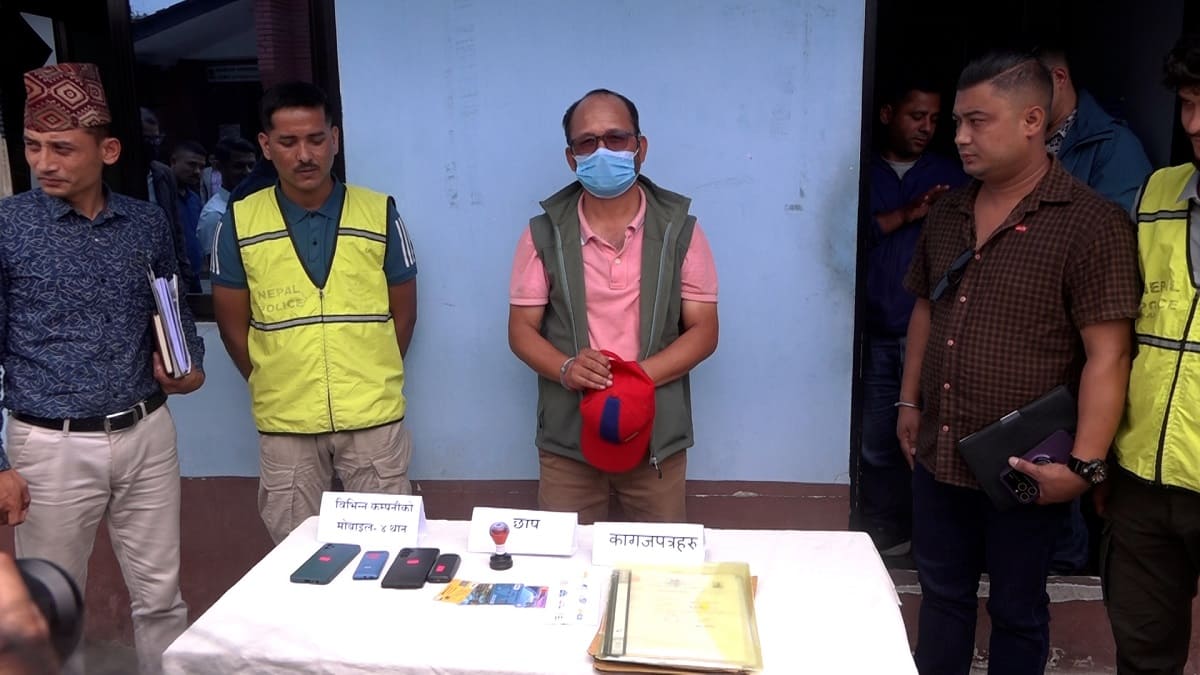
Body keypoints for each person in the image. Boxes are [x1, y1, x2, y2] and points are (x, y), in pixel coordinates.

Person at [897, 51, 1138, 674]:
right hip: (939, 450)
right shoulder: (948, 211)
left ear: (1033, 120)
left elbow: (1109, 354)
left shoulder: (1091, 223)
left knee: (1018, 610)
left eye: (977, 121)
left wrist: (1084, 467)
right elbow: (925, 308)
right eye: (958, 122)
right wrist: (908, 400)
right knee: (942, 599)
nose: (960, 136)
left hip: (1028, 466)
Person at [1, 62, 205, 674]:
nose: (44, 162)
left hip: (147, 432)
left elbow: (172, 310)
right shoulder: (8, 227)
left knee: (162, 598)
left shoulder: (145, 223)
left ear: (107, 151)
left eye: (62, 148)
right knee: (51, 607)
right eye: (33, 146)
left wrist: (189, 367)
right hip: (50, 446)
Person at [210, 81, 418, 544]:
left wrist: (368, 373)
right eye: (288, 142)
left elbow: (403, 316)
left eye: (316, 139)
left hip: (372, 419)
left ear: (335, 139)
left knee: (385, 551)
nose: (304, 155)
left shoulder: (378, 212)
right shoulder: (240, 220)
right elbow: (231, 328)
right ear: (266, 146)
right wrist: (274, 378)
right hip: (286, 423)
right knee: (295, 556)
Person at [508, 89, 719, 523]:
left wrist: (635, 380)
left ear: (640, 147)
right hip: (569, 440)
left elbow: (704, 330)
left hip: (655, 437)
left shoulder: (681, 232)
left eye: (616, 138)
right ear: (571, 158)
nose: (602, 151)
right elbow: (520, 331)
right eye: (587, 142)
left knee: (658, 557)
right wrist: (567, 368)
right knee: (564, 556)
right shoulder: (543, 234)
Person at [1104, 33, 1200, 675]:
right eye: (1188, 103)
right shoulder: (1156, 195)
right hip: (1142, 482)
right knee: (1141, 656)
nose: (1193, 125)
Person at [861, 75, 967, 557]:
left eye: (934, 119)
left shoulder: (952, 174)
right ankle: (887, 533)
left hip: (931, 335)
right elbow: (851, 233)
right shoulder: (861, 170)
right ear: (888, 115)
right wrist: (907, 214)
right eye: (916, 116)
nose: (926, 127)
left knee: (931, 439)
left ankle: (929, 537)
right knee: (876, 441)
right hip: (873, 332)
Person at [1036, 45, 1153, 211]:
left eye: (1029, 86)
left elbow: (1117, 223)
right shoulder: (1015, 136)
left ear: (1059, 78)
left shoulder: (1113, 145)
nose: (1018, 98)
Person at [141, 107, 196, 292]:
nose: (153, 145)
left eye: (156, 139)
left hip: (165, 267)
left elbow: (176, 227)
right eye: (147, 139)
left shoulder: (164, 174)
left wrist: (184, 271)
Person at [198, 136, 256, 257]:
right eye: (238, 166)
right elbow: (215, 263)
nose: (248, 172)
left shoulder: (257, 203)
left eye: (251, 166)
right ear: (219, 167)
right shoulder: (215, 215)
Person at [169, 140, 208, 290]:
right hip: (172, 277)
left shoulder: (194, 199)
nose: (197, 171)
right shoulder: (161, 197)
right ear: (173, 162)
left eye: (201, 167)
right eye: (191, 165)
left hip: (194, 274)